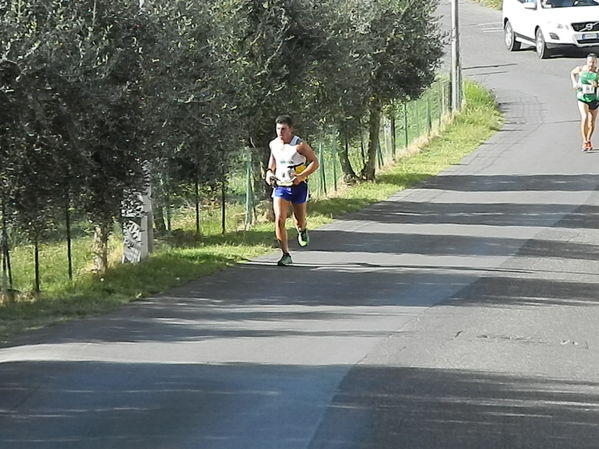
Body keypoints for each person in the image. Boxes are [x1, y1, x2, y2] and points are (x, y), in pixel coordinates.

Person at [265, 114, 319, 266]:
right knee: (279, 219)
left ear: (291, 129)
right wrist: (269, 172)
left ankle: (302, 230)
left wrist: (301, 176)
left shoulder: (299, 145)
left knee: (299, 220)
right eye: (278, 129)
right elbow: (273, 161)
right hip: (281, 187)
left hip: (298, 187)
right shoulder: (274, 144)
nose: (280, 133)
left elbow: (315, 162)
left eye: (283, 129)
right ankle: (285, 254)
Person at [571, 53, 599, 151]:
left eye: (593, 62)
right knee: (585, 117)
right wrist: (575, 83)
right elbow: (572, 73)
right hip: (582, 97)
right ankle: (584, 141)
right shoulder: (581, 69)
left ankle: (589, 139)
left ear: (596, 62)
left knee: (591, 122)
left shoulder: (597, 72)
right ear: (587, 62)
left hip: (594, 98)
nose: (591, 64)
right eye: (590, 62)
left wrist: (596, 84)